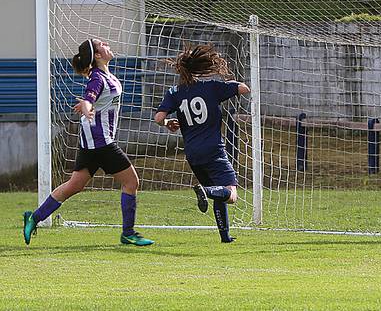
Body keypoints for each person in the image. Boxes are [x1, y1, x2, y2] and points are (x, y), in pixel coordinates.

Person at [23, 39, 154, 246]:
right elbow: (88, 98)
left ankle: (34, 217)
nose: (107, 44)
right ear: (98, 55)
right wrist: (85, 107)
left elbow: (95, 101)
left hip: (92, 141)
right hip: (101, 141)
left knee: (74, 185)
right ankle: (128, 233)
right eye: (102, 44)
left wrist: (88, 108)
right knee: (131, 182)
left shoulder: (105, 75)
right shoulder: (97, 78)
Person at [154, 45, 249, 243]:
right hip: (213, 150)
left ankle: (225, 237)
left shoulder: (174, 92)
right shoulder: (211, 87)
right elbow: (243, 89)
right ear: (200, 68)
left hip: (193, 153)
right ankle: (204, 191)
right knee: (230, 194)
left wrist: (167, 123)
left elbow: (159, 117)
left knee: (218, 192)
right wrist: (228, 82)